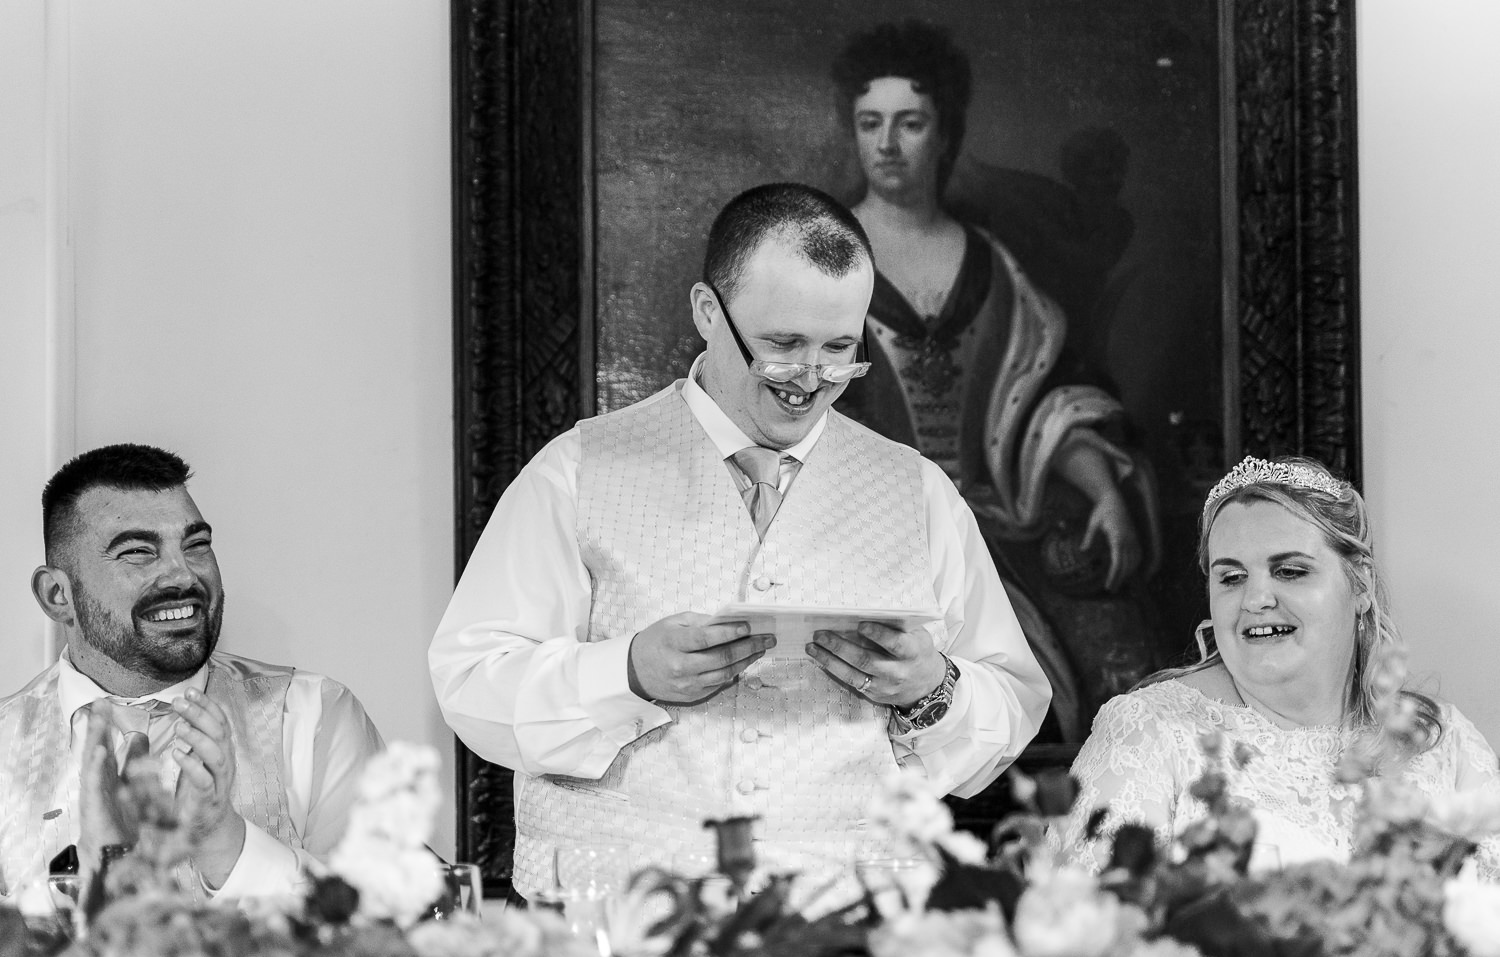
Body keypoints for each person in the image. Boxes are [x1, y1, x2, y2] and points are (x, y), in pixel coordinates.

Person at [429, 182, 1051, 902]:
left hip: (847, 925)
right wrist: (627, 673)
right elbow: (472, 680)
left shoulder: (919, 492)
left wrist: (931, 687)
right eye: (782, 345)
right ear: (707, 311)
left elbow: (1011, 701)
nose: (811, 378)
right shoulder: (576, 470)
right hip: (615, 924)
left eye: (840, 349)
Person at [829, 21, 1163, 742]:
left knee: (1115, 676)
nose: (887, 144)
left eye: (910, 123)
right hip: (860, 537)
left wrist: (1106, 492)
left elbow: (1044, 411)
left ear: (945, 134)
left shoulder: (993, 266)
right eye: (870, 123)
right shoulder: (822, 261)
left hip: (999, 527)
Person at [1058, 456, 1500, 877]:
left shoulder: (1444, 742)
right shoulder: (1147, 732)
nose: (1255, 600)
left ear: (1361, 583)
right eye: (1232, 578)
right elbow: (1092, 919)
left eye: (1289, 571)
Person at [0, 444, 385, 901]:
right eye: (138, 551)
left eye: (196, 545)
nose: (183, 575)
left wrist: (225, 843)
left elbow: (384, 922)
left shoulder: (313, 716)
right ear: (57, 595)